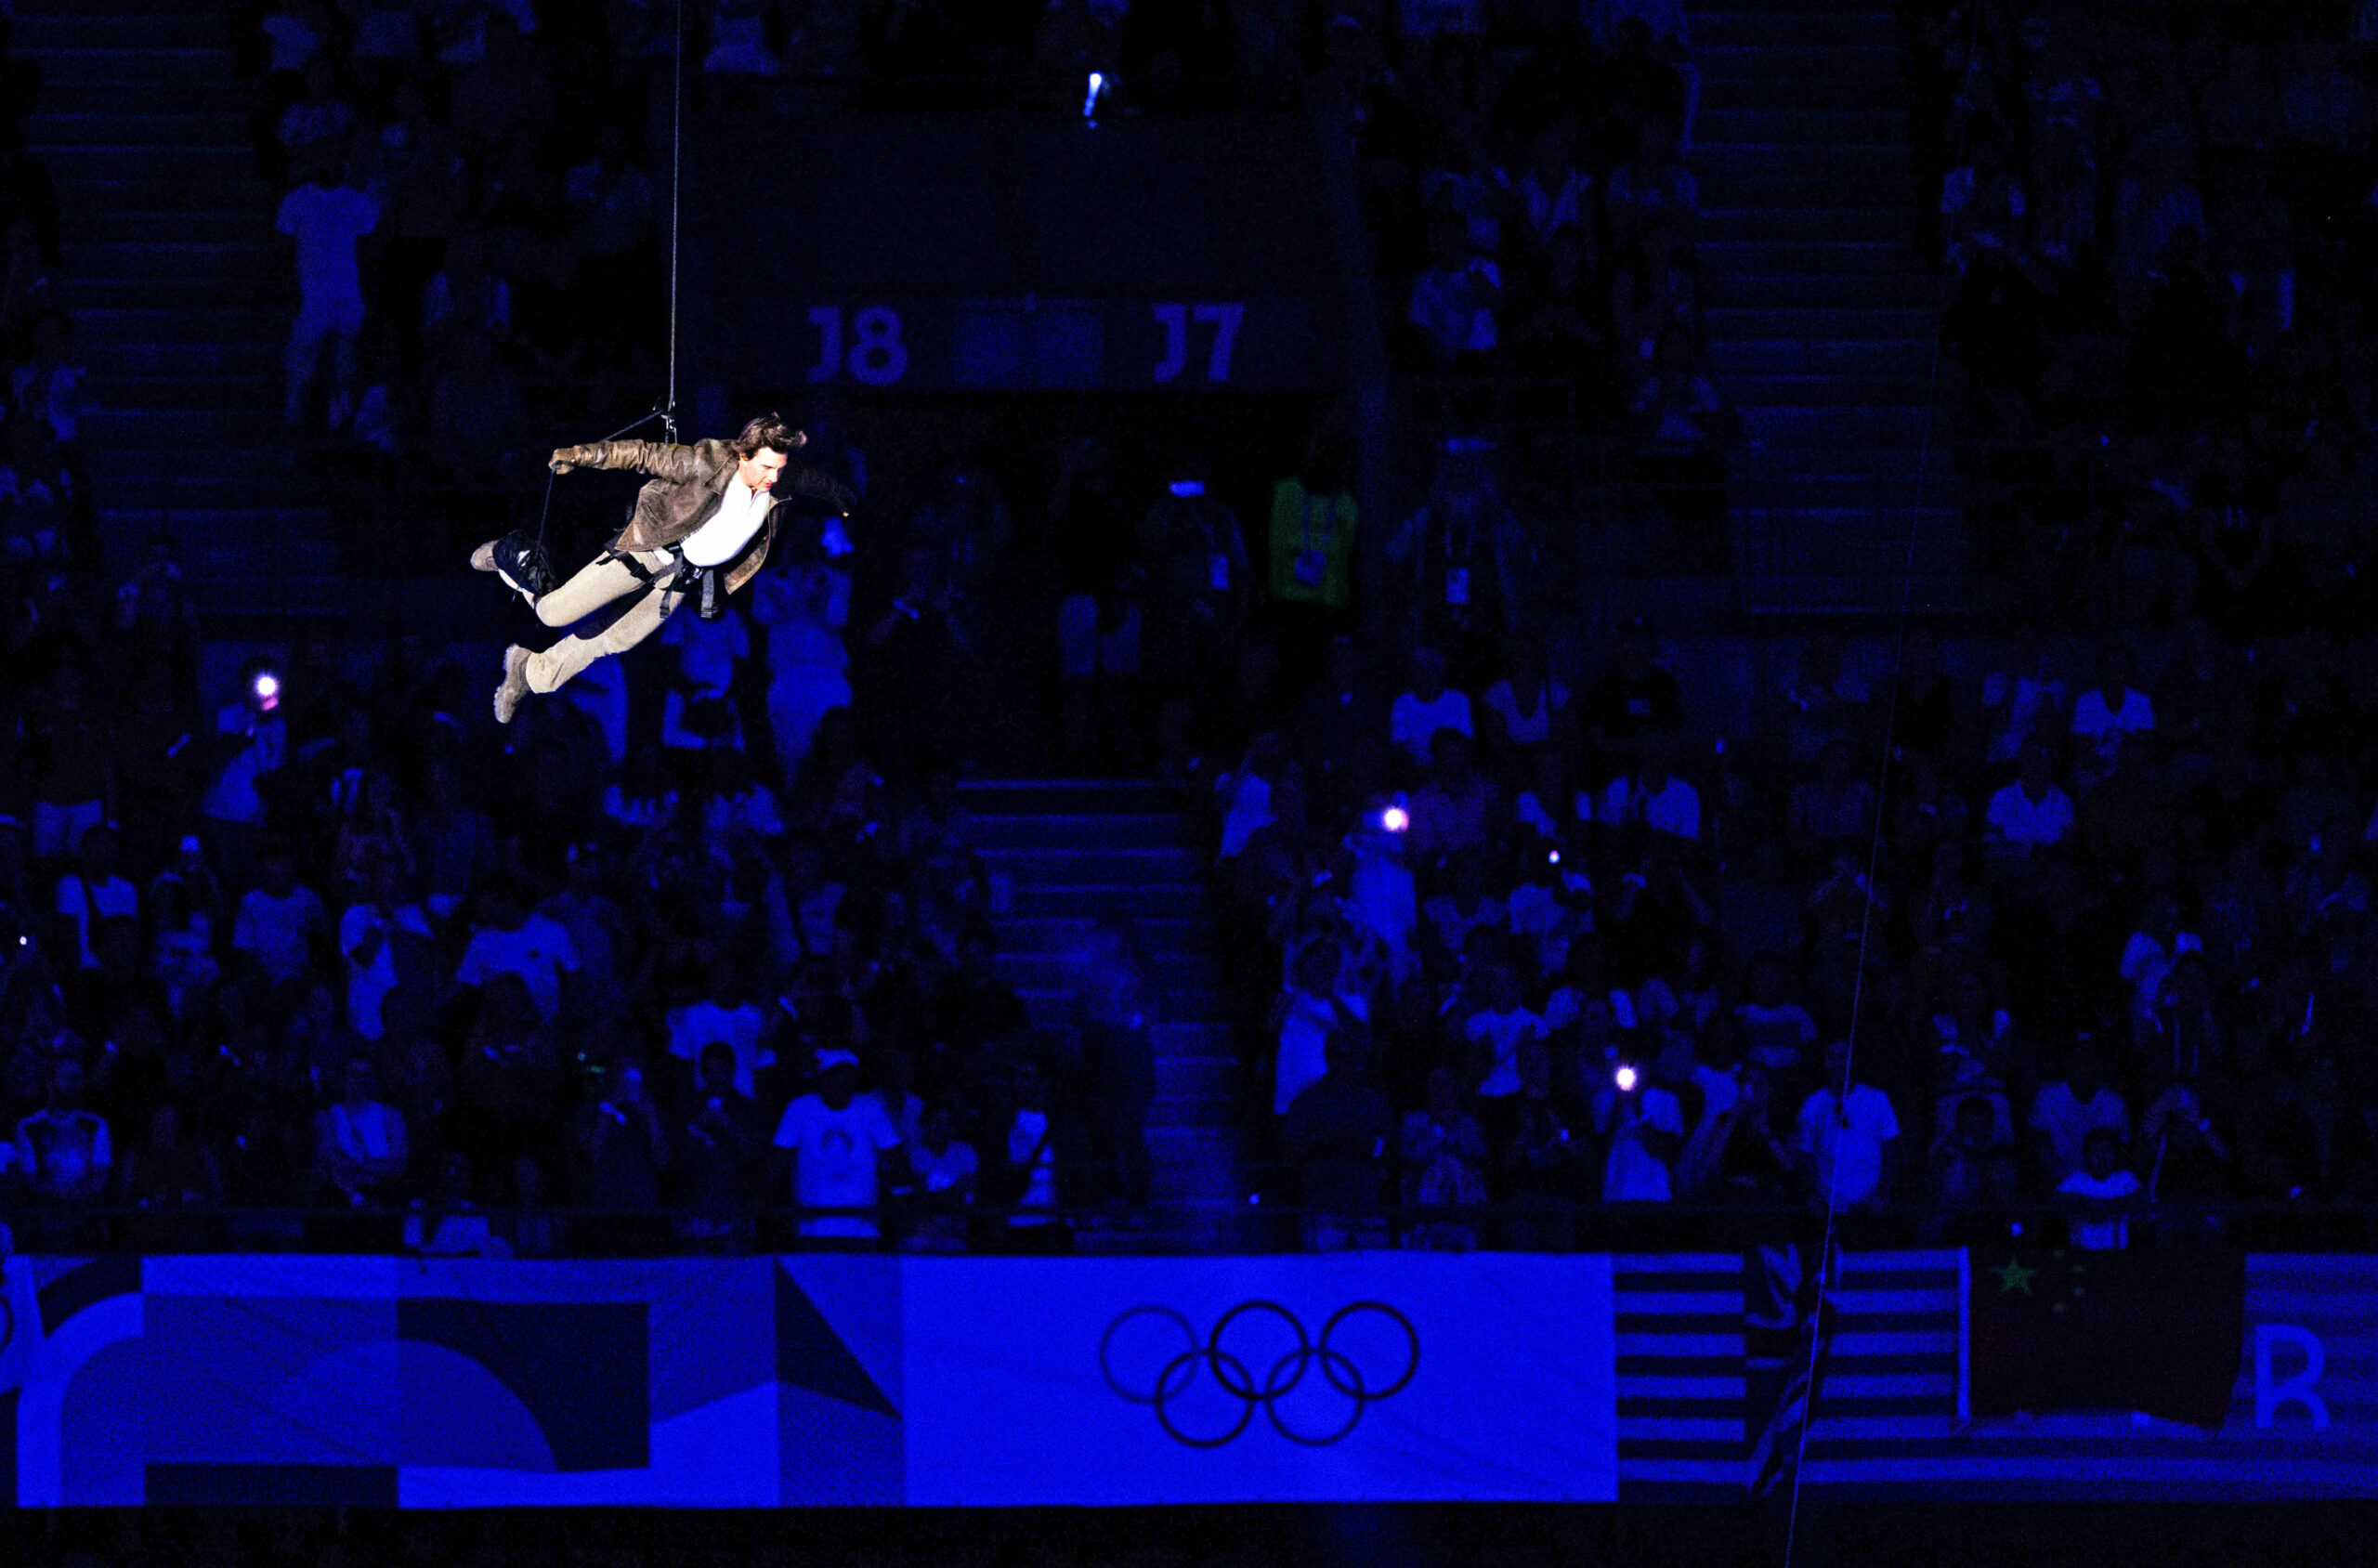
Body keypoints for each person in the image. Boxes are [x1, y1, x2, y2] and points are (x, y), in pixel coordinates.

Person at [478, 413, 856, 724]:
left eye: (780, 468)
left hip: (679, 578)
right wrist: (581, 455)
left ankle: (530, 672)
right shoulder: (706, 460)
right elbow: (642, 454)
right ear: (745, 455)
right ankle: (510, 554)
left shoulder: (781, 477)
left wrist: (844, 499)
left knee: (615, 640)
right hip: (646, 552)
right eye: (768, 467)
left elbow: (814, 481)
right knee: (552, 613)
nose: (774, 477)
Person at [772, 1048, 900, 1241]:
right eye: (834, 1075)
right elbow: (777, 1162)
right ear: (822, 1077)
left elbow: (896, 1159)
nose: (841, 1082)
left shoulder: (871, 1108)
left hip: (863, 1229)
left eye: (847, 1076)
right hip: (811, 1229)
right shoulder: (800, 1108)